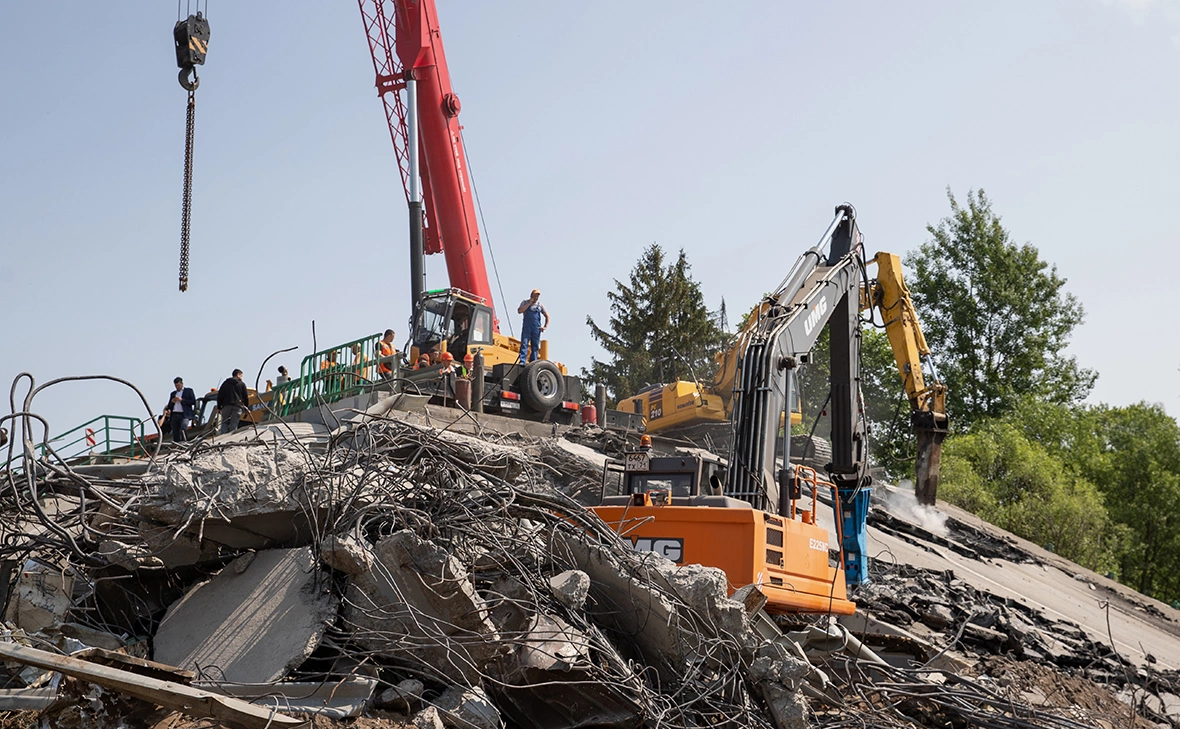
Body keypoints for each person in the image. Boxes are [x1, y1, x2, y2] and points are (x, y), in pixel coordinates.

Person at [517, 288, 549, 365]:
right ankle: (522, 361)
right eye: (535, 295)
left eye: (537, 296)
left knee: (535, 346)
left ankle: (533, 362)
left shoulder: (540, 305)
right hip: (527, 327)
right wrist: (529, 303)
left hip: (536, 329)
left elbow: (547, 316)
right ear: (531, 295)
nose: (536, 297)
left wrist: (545, 326)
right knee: (524, 343)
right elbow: (519, 311)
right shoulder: (524, 302)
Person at [216, 369, 250, 434]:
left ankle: (223, 435)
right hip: (237, 405)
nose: (241, 378)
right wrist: (246, 407)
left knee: (224, 421)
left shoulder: (225, 383)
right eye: (241, 376)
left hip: (226, 405)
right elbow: (245, 396)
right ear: (238, 375)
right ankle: (231, 436)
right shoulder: (241, 384)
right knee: (234, 421)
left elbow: (220, 395)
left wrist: (219, 407)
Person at [164, 377, 197, 443]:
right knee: (175, 430)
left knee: (183, 427)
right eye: (176, 386)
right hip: (175, 414)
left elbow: (193, 401)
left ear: (182, 384)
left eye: (178, 385)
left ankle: (185, 441)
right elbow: (169, 406)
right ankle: (177, 443)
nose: (177, 387)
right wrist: (172, 402)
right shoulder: (173, 394)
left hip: (184, 414)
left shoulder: (188, 391)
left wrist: (182, 400)